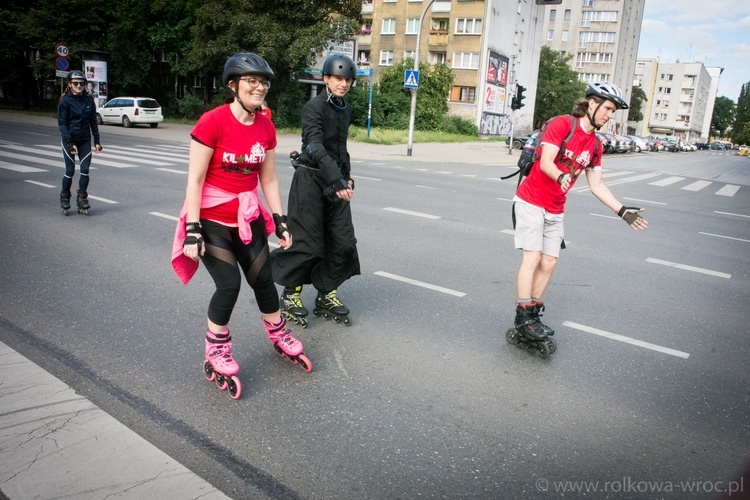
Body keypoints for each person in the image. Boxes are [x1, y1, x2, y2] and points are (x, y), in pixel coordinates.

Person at [171, 52, 310, 398]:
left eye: (263, 82)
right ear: (233, 85)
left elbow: (270, 179)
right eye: (252, 81)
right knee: (229, 284)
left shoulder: (265, 126)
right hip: (212, 219)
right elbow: (195, 180)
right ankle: (216, 348)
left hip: (247, 216)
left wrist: (280, 221)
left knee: (263, 278)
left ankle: (278, 333)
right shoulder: (212, 122)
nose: (259, 87)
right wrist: (192, 227)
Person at [511, 82, 648, 343]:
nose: (610, 115)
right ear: (591, 103)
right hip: (531, 200)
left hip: (555, 207)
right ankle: (523, 316)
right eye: (608, 108)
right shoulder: (563, 124)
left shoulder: (596, 145)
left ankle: (534, 314)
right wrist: (561, 175)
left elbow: (597, 185)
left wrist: (622, 211)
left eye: (613, 111)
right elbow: (547, 162)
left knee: (550, 261)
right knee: (533, 257)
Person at [271, 54, 360, 327]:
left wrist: (347, 176)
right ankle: (291, 293)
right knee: (308, 243)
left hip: (335, 182)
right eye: (338, 78)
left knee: (342, 241)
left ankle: (326, 293)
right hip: (310, 181)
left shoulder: (344, 108)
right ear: (326, 79)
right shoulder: (314, 107)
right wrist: (337, 180)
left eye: (347, 80)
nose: (343, 84)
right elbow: (315, 145)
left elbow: (339, 148)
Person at [57, 70, 102, 215]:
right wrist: (69, 143)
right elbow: (62, 124)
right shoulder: (65, 101)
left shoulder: (89, 101)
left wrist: (97, 141)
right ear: (70, 84)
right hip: (70, 139)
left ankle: (82, 198)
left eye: (82, 83)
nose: (79, 86)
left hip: (84, 139)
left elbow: (93, 122)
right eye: (75, 83)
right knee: (70, 171)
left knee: (85, 170)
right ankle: (65, 197)